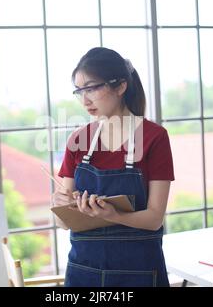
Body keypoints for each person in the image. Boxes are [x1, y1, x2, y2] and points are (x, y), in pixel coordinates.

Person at [53, 47, 174, 287]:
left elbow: (154, 219)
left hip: (138, 273)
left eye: (92, 88)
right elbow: (65, 222)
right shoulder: (78, 141)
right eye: (79, 91)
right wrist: (61, 207)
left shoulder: (154, 137)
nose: (85, 100)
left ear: (120, 86)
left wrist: (115, 215)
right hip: (83, 271)